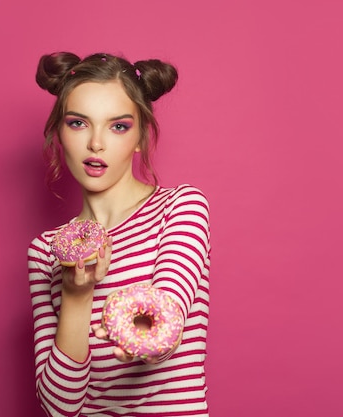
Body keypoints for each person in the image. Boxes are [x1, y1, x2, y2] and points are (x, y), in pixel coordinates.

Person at [27, 51, 211, 417]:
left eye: (118, 126)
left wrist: (146, 341)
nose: (96, 143)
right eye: (78, 123)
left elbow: (167, 315)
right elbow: (60, 408)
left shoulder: (181, 208)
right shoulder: (45, 251)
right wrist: (77, 295)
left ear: (141, 136)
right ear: (59, 133)